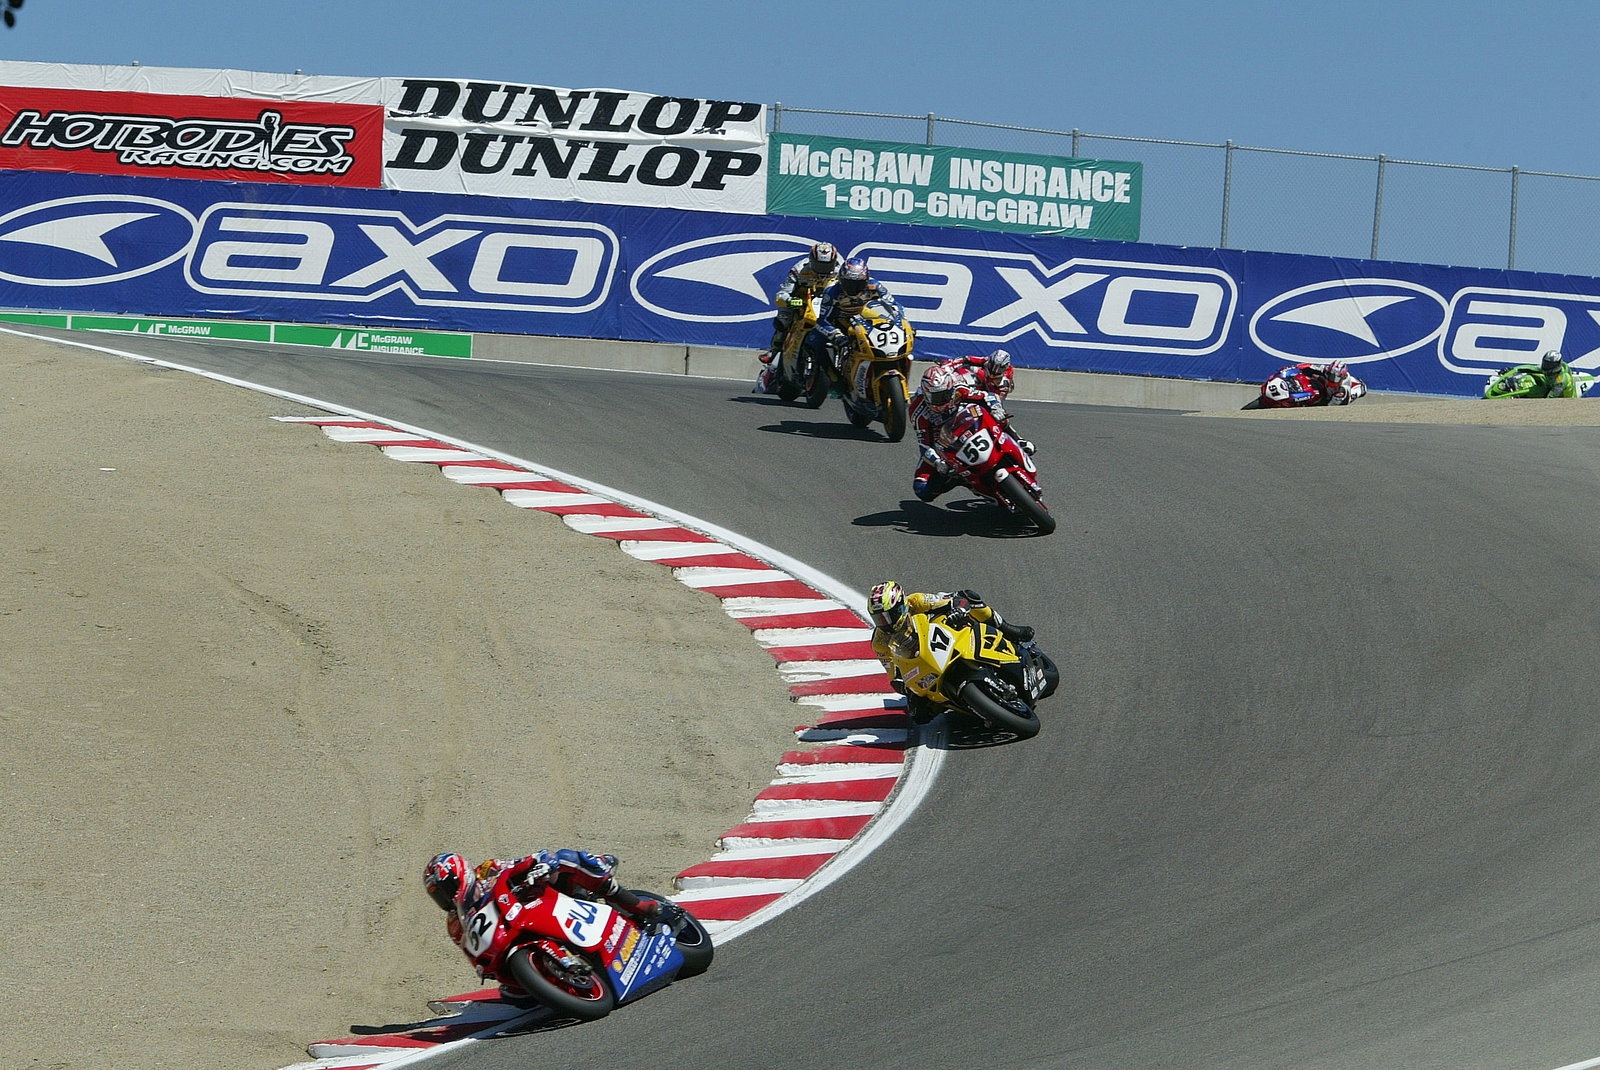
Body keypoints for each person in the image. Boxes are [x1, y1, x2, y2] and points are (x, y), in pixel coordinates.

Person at [424, 850, 680, 995]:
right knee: (514, 996)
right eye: (439, 896)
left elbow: (520, 864)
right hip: (513, 936)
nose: (446, 898)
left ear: (461, 874)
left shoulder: (486, 870)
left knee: (567, 859)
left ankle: (639, 906)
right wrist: (485, 967)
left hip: (541, 900)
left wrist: (539, 864)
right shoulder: (454, 924)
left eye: (445, 889)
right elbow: (473, 952)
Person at [866, 580, 1036, 722]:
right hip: (921, 662)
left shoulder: (916, 601)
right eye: (878, 618)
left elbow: (953, 600)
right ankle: (960, 703)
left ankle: (1008, 630)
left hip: (945, 633)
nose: (885, 623)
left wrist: (959, 608)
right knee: (918, 715)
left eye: (888, 615)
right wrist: (903, 685)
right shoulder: (880, 642)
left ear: (901, 605)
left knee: (971, 597)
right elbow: (892, 673)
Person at [907, 363, 1030, 502]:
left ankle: (1018, 441)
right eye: (936, 397)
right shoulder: (917, 411)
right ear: (926, 395)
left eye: (946, 394)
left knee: (997, 415)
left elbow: (987, 396)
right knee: (921, 488)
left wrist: (996, 408)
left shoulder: (958, 387)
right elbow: (924, 445)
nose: (943, 400)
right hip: (944, 445)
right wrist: (937, 462)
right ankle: (960, 479)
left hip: (969, 424)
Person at [755, 241, 840, 394]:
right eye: (819, 265)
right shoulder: (800, 269)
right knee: (784, 318)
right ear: (812, 260)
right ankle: (775, 350)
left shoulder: (840, 272)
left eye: (827, 266)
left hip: (827, 305)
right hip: (801, 302)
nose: (823, 269)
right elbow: (782, 294)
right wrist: (791, 301)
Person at [936, 348, 1034, 455]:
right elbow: (965, 359)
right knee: (971, 372)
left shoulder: (1004, 383)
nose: (993, 373)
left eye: (998, 370)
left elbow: (997, 400)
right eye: (992, 367)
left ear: (1005, 368)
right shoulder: (986, 361)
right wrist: (948, 365)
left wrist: (996, 408)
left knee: (997, 415)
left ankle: (1017, 439)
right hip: (982, 383)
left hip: (994, 390)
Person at [814, 257, 900, 372]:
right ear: (841, 280)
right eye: (848, 284)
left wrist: (901, 323)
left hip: (862, 313)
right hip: (839, 317)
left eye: (858, 284)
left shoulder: (875, 286)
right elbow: (822, 321)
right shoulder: (831, 291)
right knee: (816, 341)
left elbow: (893, 305)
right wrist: (837, 336)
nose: (853, 288)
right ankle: (831, 373)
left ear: (866, 280)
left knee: (885, 322)